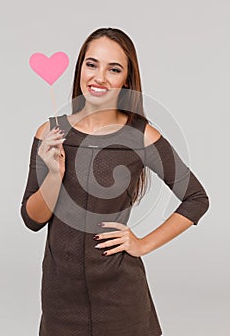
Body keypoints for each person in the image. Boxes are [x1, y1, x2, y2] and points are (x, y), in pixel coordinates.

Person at [20, 27, 210, 336]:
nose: (99, 77)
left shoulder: (141, 135)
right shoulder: (50, 133)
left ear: (126, 80)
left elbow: (197, 199)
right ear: (80, 67)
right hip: (60, 300)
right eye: (91, 64)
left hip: (121, 301)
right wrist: (54, 176)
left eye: (114, 69)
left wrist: (143, 244)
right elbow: (32, 219)